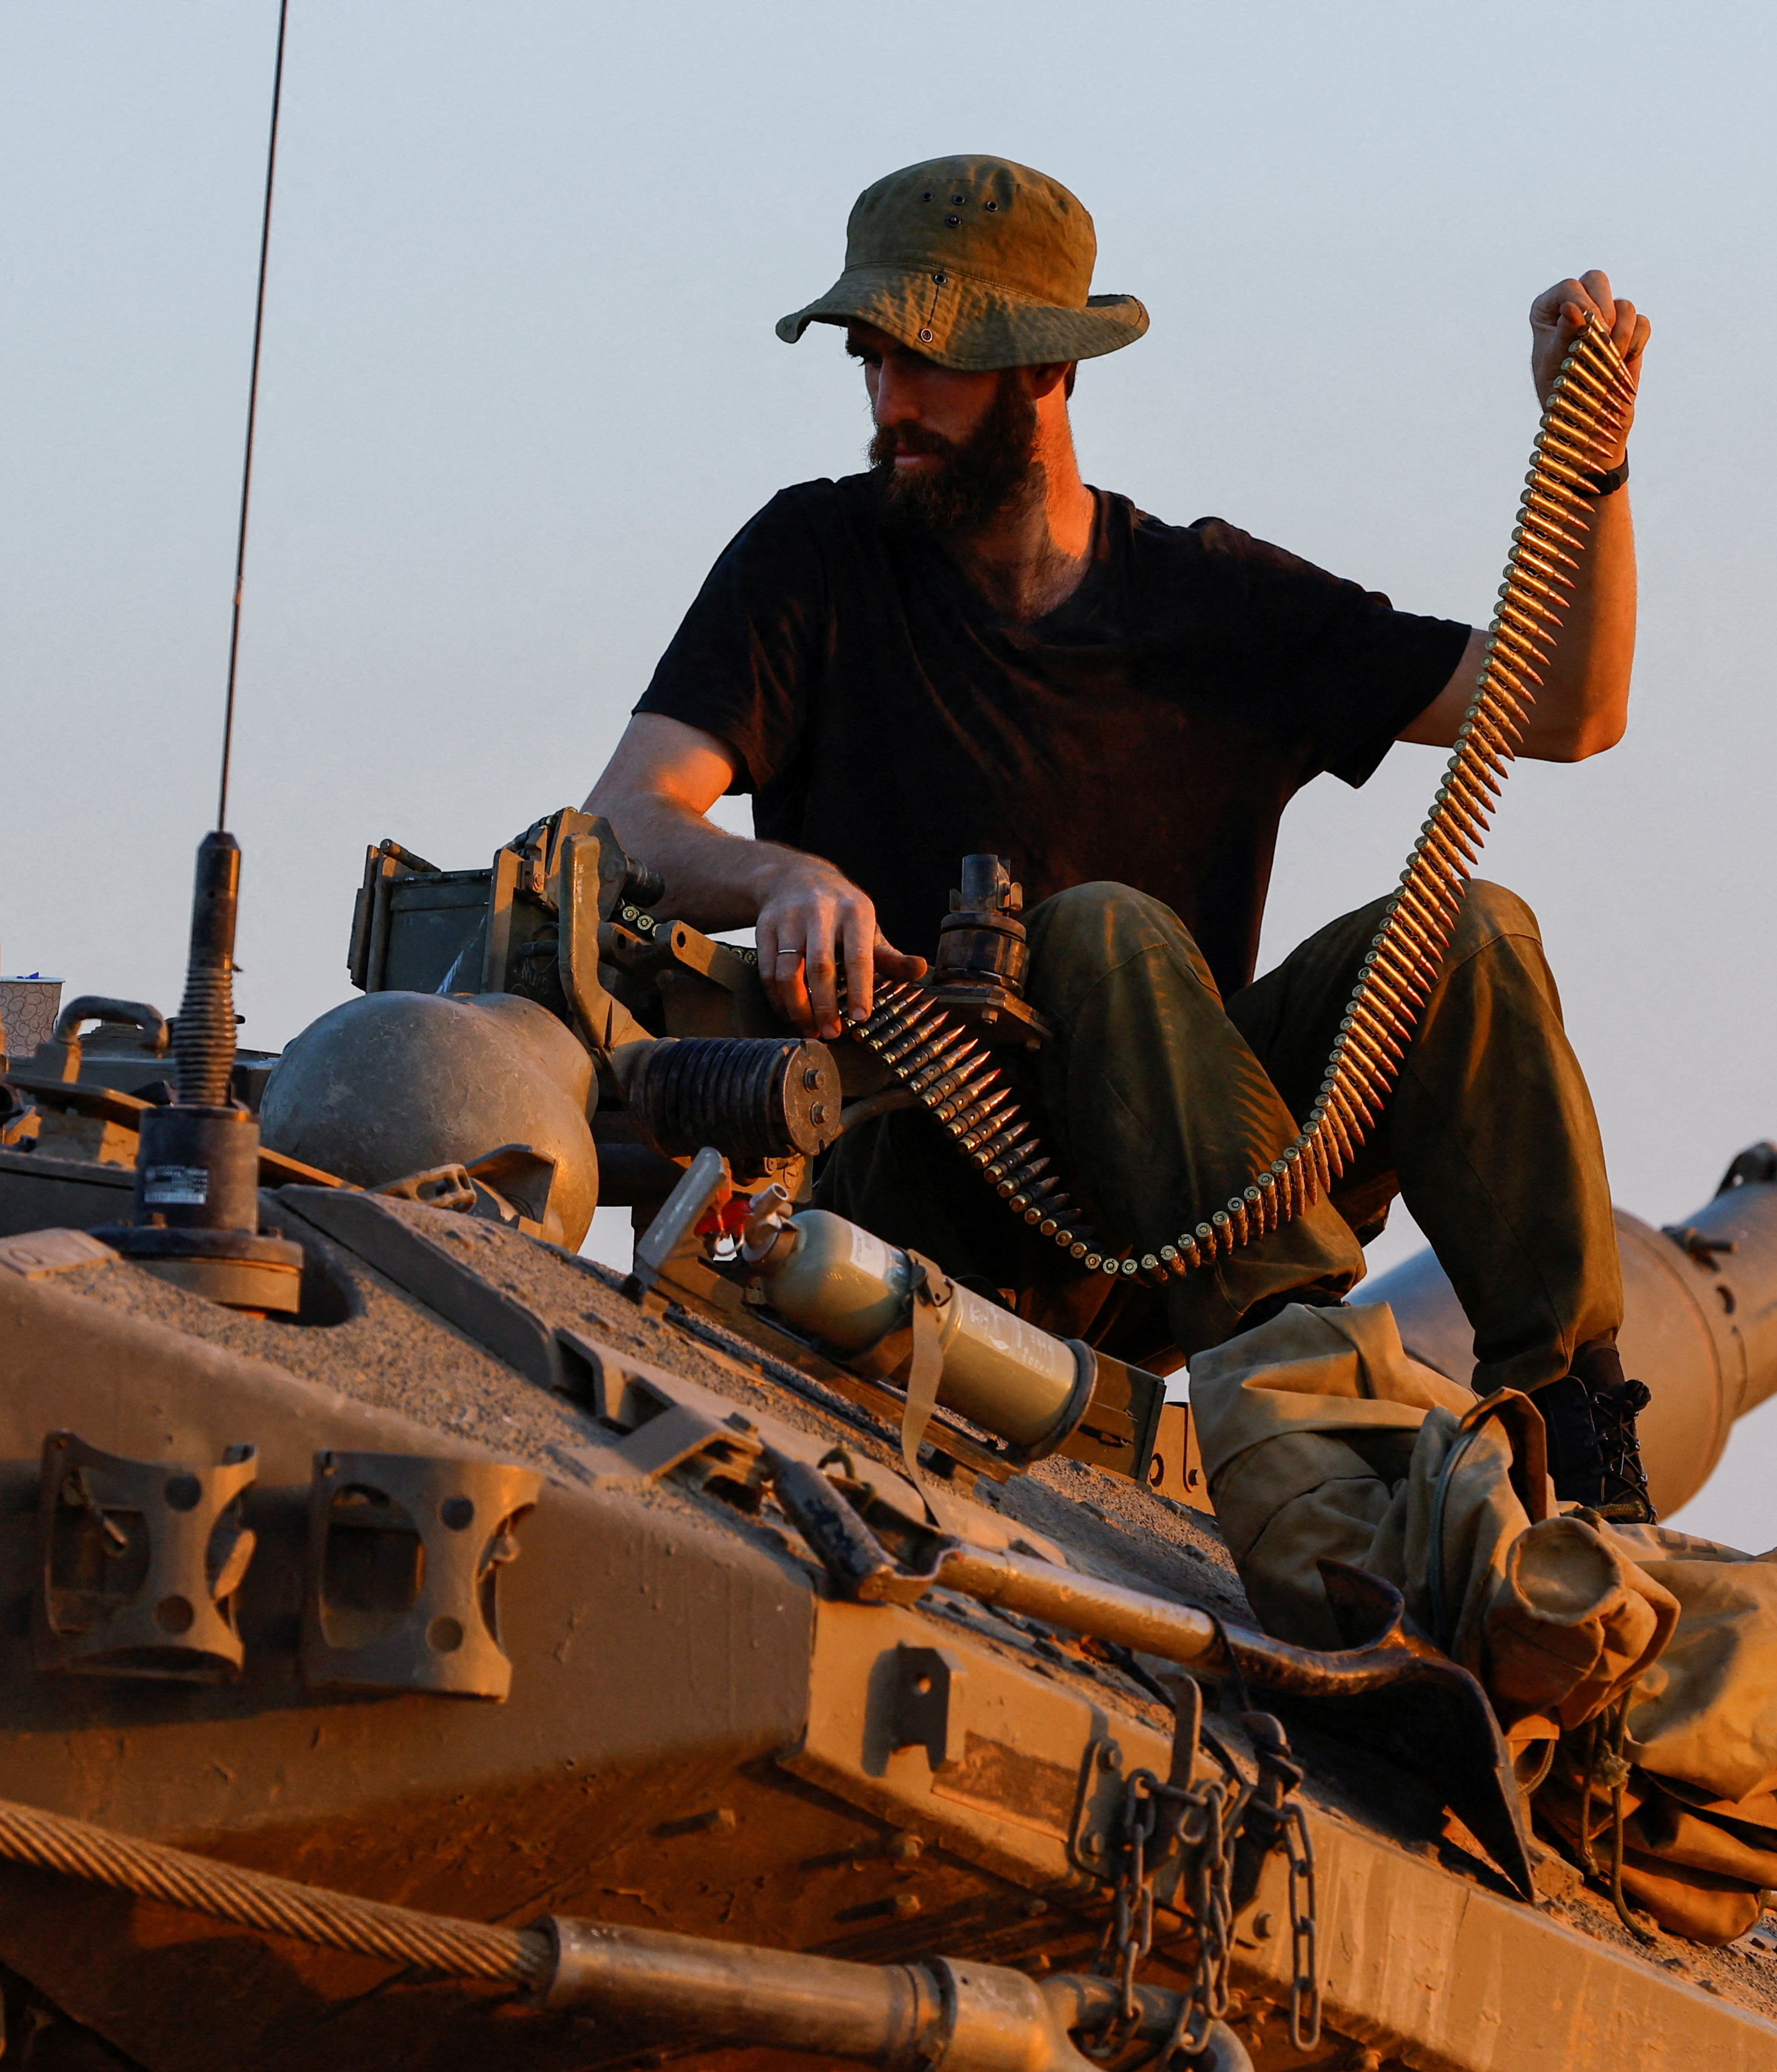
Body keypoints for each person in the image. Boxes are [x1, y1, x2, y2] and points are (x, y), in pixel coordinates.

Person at [580, 153, 1654, 1503]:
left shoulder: (1207, 604)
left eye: (928, 361)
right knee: (1094, 928)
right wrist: (780, 873)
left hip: (1178, 1211)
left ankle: (1583, 1433)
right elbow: (623, 824)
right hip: (928, 1184)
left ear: (1042, 370)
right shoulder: (814, 562)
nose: (888, 401)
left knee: (1470, 936)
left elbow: (1568, 706)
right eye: (869, 359)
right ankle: (1319, 1406)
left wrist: (1594, 455)